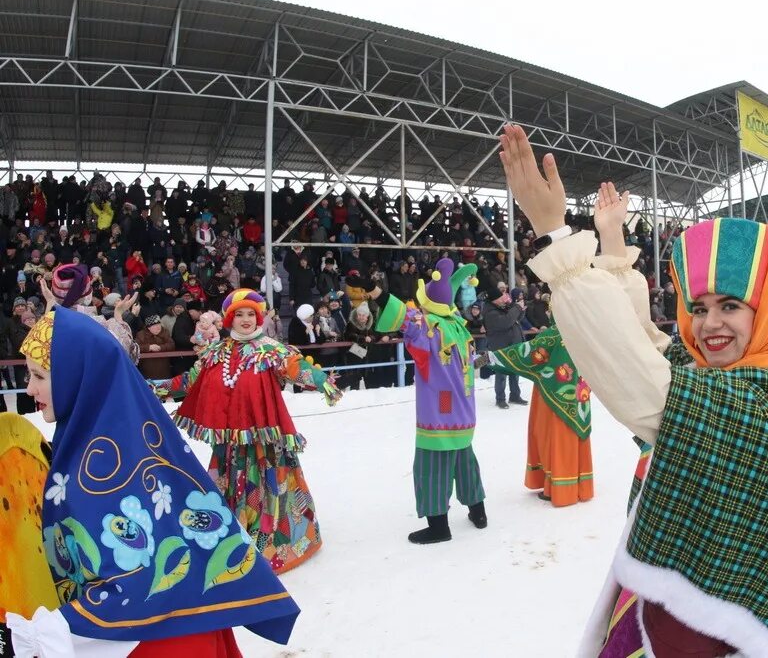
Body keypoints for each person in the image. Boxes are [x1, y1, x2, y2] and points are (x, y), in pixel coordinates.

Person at [500, 126, 768, 657]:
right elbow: (654, 348)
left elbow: (651, 387)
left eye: (730, 306)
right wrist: (611, 246)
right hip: (673, 588)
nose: (709, 324)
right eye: (699, 308)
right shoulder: (732, 372)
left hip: (697, 625)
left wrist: (556, 237)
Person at [1, 307, 298, 657]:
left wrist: (28, 638)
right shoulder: (111, 438)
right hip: (175, 628)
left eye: (38, 375)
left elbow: (134, 587)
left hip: (157, 641)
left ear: (75, 376)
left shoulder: (104, 464)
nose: (29, 387)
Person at [153, 290, 342, 574]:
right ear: (229, 319)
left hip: (265, 444)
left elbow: (296, 368)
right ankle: (230, 539)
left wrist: (321, 381)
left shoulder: (271, 350)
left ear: (259, 317)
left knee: (270, 492)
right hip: (230, 446)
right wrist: (155, 389)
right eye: (239, 314)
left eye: (250, 314)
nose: (245, 320)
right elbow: (189, 381)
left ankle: (275, 543)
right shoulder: (216, 353)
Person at [352, 259, 487, 544]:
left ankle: (438, 526)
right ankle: (479, 512)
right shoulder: (460, 327)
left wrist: (375, 290)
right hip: (463, 408)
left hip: (441, 408)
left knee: (432, 466)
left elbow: (401, 314)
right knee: (464, 459)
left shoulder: (429, 325)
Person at [487, 326, 594, 507]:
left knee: (551, 435)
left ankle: (558, 487)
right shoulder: (585, 328)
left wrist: (492, 358)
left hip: (551, 393)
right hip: (578, 392)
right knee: (573, 433)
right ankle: (578, 483)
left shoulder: (553, 334)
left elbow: (528, 354)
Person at [481, 284, 528, 409]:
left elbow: (516, 318)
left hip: (512, 346)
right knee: (501, 373)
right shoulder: (490, 312)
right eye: (501, 297)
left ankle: (515, 395)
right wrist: (517, 307)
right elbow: (506, 322)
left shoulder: (500, 307)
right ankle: (500, 398)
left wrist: (520, 309)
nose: (503, 298)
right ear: (494, 300)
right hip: (500, 347)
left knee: (514, 371)